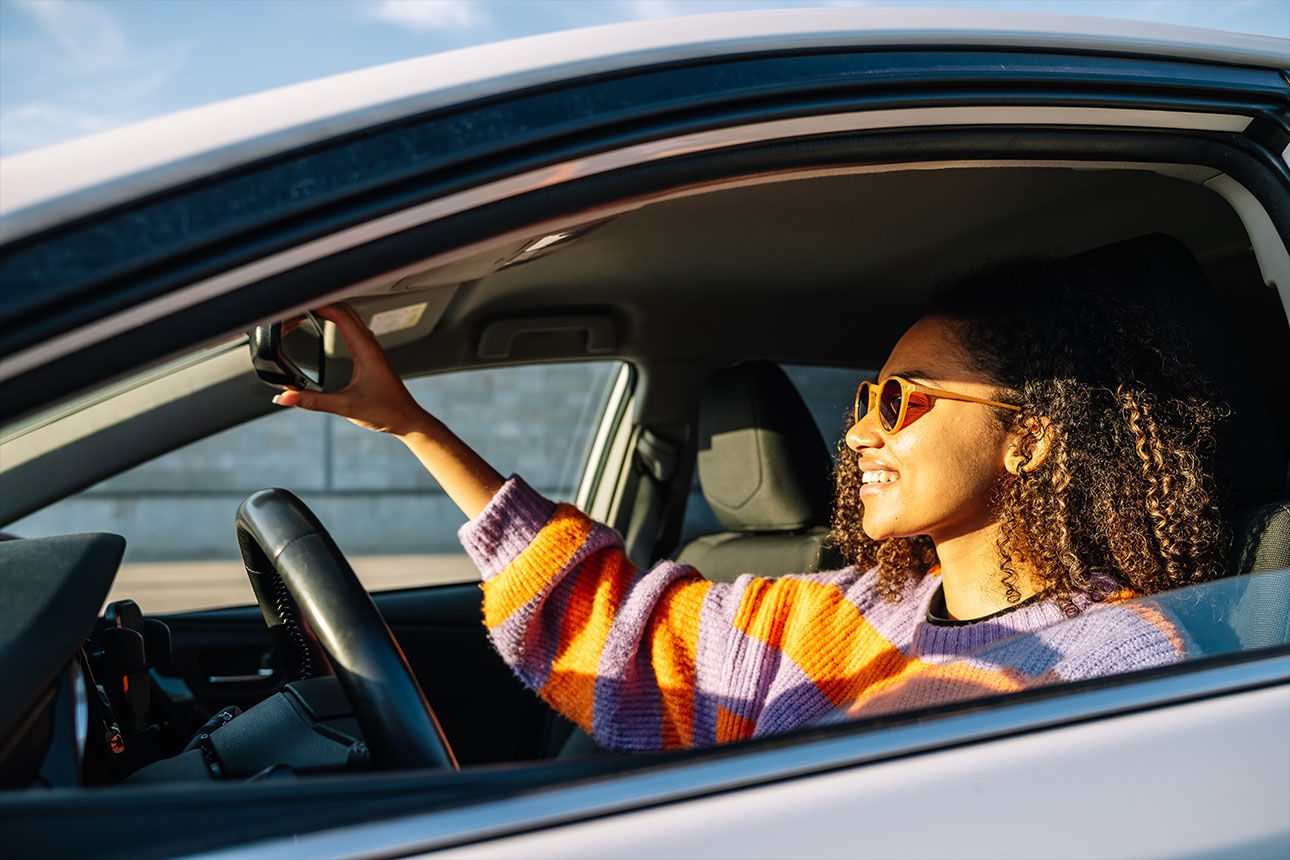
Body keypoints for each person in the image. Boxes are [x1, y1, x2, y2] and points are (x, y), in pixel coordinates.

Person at [273, 260, 1229, 751]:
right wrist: (411, 426)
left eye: (900, 401)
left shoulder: (1126, 662)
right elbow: (617, 637)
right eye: (863, 401)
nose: (857, 436)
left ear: (1030, 437)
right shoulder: (848, 611)